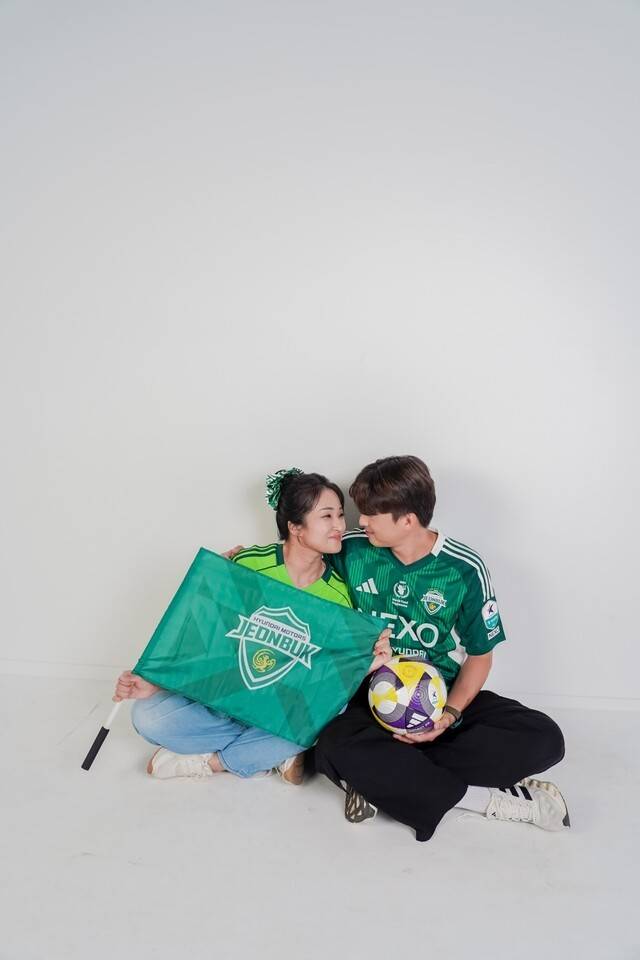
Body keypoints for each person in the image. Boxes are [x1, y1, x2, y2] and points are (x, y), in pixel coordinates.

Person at [312, 455, 569, 840]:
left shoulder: (462, 568)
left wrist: (447, 716)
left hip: (439, 695)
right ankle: (488, 800)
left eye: (370, 514)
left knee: (544, 738)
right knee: (329, 746)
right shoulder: (352, 550)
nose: (359, 520)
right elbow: (297, 562)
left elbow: (480, 656)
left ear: (407, 520)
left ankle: (381, 777)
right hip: (370, 698)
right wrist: (242, 563)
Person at [113, 469, 392, 786]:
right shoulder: (249, 564)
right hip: (224, 698)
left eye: (340, 515)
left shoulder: (339, 595)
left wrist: (367, 663)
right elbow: (205, 633)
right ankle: (268, 752)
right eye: (327, 516)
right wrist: (156, 682)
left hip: (278, 706)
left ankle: (212, 762)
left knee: (326, 715)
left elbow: (326, 678)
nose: (340, 525)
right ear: (295, 527)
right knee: (146, 717)